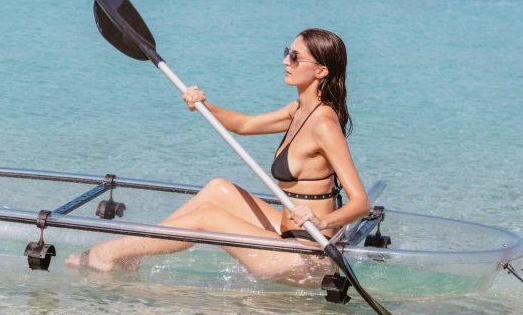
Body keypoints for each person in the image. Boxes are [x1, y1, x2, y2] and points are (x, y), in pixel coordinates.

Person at [65, 28, 370, 285]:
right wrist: (204, 105)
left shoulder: (324, 124)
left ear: (321, 71)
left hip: (304, 260)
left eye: (294, 57)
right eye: (287, 51)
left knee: (207, 218)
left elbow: (360, 203)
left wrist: (323, 219)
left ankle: (107, 254)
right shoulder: (300, 109)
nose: (284, 61)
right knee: (218, 188)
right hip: (286, 234)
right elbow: (245, 124)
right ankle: (133, 254)